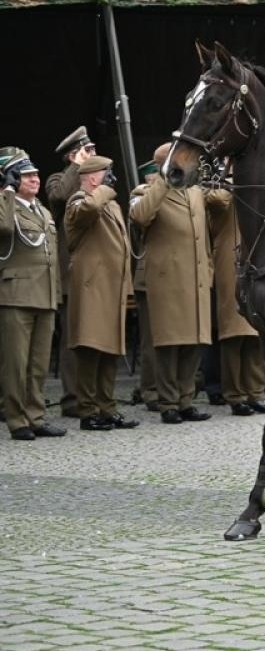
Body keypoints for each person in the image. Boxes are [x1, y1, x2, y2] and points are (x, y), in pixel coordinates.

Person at [130, 142, 222, 424]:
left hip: (195, 280)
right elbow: (140, 216)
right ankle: (168, 402)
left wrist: (207, 271)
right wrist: (162, 181)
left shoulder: (195, 192)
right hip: (168, 281)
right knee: (169, 344)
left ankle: (186, 399)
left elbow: (204, 233)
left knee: (194, 342)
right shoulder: (147, 192)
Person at [64, 155, 139, 431]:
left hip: (112, 288)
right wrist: (102, 190)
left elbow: (121, 244)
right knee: (90, 349)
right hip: (92, 288)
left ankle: (107, 407)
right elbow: (88, 210)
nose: (111, 178)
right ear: (93, 177)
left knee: (110, 351)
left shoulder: (108, 203)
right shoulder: (79, 200)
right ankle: (87, 410)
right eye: (107, 174)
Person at [0, 153, 67, 439]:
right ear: (13, 178)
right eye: (27, 176)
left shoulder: (42, 211)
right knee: (16, 363)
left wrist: (57, 296)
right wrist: (7, 190)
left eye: (36, 175)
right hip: (16, 295)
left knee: (39, 363)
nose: (35, 179)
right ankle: (17, 421)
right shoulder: (7, 206)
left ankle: (36, 416)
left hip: (45, 295)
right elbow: (3, 228)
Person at [44, 125, 94, 418]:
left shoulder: (97, 185)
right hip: (71, 274)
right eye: (87, 152)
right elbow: (59, 196)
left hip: (95, 274)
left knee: (93, 336)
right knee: (72, 337)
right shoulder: (57, 179)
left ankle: (92, 396)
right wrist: (76, 166)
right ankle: (72, 399)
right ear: (72, 156)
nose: (92, 156)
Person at [208, 184, 265, 416]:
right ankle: (235, 395)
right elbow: (217, 201)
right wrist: (231, 180)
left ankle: (256, 392)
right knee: (233, 334)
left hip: (255, 258)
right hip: (228, 260)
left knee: (255, 334)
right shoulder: (218, 187)